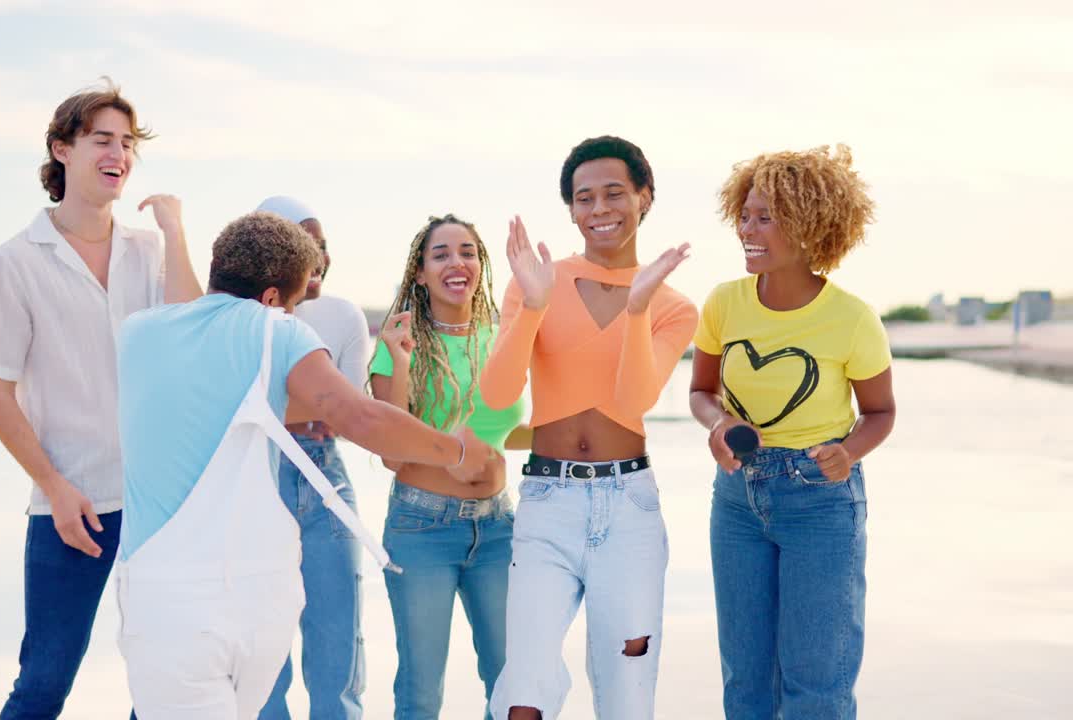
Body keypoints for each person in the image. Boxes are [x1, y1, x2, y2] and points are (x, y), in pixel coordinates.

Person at [114, 211, 495, 719]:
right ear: (274, 299)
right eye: (294, 305)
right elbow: (357, 415)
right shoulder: (275, 331)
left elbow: (241, 397)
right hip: (256, 595)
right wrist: (459, 451)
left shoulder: (138, 332)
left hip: (160, 593)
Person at [0, 81, 202, 720]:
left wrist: (175, 229)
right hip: (70, 506)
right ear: (61, 149)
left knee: (167, 682)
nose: (118, 154)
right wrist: (54, 483)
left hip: (158, 503)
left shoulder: (149, 250)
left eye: (127, 144)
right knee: (44, 683)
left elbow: (190, 333)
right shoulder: (15, 262)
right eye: (102, 139)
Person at [481, 136, 698, 719]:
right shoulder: (537, 282)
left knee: (627, 691)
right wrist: (531, 306)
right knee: (523, 691)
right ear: (571, 210)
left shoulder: (673, 305)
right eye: (584, 198)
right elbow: (499, 395)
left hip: (629, 508)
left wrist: (637, 308)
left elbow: (634, 399)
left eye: (613, 194)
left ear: (643, 197)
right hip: (547, 501)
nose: (599, 209)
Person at [689, 145, 895, 720]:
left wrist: (848, 452)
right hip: (735, 501)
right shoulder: (724, 303)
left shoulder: (852, 318)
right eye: (745, 215)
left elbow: (880, 413)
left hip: (820, 504)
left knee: (816, 686)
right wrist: (719, 424)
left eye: (766, 217)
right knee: (746, 684)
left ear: (811, 227)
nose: (747, 230)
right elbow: (701, 392)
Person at [369, 214, 528, 719]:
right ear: (419, 272)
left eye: (468, 252)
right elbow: (392, 448)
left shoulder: (504, 336)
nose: (456, 262)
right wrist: (396, 361)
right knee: (421, 689)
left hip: (499, 526)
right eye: (440, 254)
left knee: (512, 682)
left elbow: (508, 430)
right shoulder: (399, 341)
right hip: (422, 528)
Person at [253, 196, 371, 720]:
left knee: (337, 633)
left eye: (322, 245)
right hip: (258, 471)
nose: (318, 256)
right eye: (305, 244)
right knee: (262, 643)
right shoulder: (241, 318)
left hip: (326, 473)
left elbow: (349, 414)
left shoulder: (344, 315)